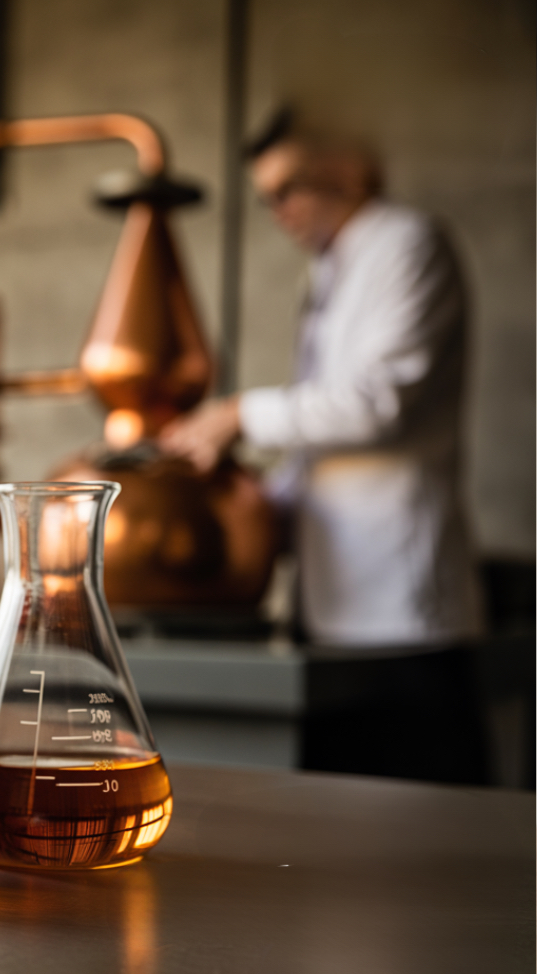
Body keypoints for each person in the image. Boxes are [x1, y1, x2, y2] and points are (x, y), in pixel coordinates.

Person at [160, 114, 486, 781]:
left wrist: (238, 414)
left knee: (424, 842)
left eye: (291, 189)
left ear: (350, 166)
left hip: (402, 615)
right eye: (268, 196)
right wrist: (251, 498)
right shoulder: (335, 268)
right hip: (334, 610)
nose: (280, 212)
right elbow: (325, 446)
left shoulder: (407, 245)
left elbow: (378, 404)